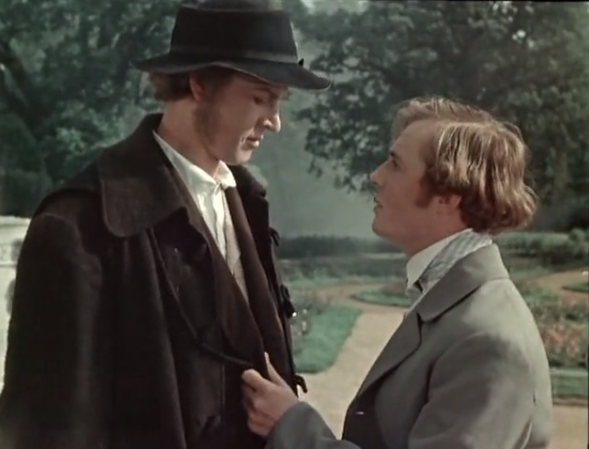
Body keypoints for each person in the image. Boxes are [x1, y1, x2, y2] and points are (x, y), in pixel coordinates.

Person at [0, 1, 330, 449]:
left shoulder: (248, 204)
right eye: (260, 97)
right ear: (199, 84)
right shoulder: (81, 226)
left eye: (279, 101)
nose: (275, 121)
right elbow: (49, 427)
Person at [242, 97, 553, 449]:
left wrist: (293, 426)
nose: (376, 176)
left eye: (396, 164)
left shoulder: (487, 341)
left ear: (447, 198)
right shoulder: (453, 302)